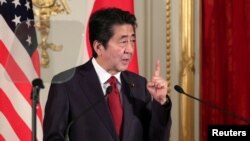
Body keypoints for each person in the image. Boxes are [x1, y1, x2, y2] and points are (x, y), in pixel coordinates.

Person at [43, 8, 172, 141]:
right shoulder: (66, 84)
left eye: (132, 41)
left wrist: (160, 102)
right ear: (99, 47)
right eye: (123, 41)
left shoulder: (139, 85)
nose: (130, 49)